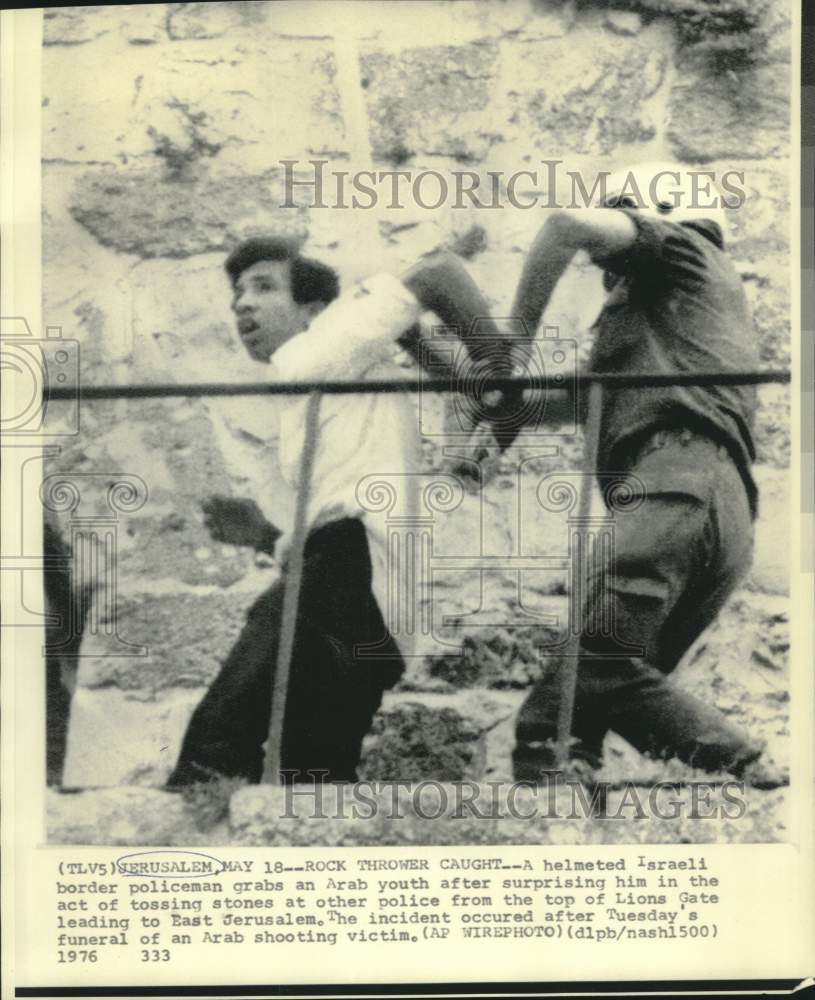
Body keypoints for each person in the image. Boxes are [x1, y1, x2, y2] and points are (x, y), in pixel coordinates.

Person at [167, 237, 507, 787]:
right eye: (237, 293)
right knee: (315, 776)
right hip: (377, 602)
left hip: (342, 573)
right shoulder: (341, 364)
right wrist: (266, 536)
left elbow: (439, 269)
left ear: (315, 310)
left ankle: (176, 847)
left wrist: (503, 378)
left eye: (263, 287)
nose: (241, 305)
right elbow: (344, 497)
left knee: (216, 739)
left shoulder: (319, 346)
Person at [509, 162, 784, 787]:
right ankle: (584, 780)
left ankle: (740, 760)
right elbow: (536, 404)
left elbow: (564, 225)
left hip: (676, 483)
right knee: (593, 691)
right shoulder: (664, 319)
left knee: (570, 694)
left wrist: (510, 344)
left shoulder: (682, 252)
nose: (604, 266)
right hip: (709, 507)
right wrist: (430, 349)